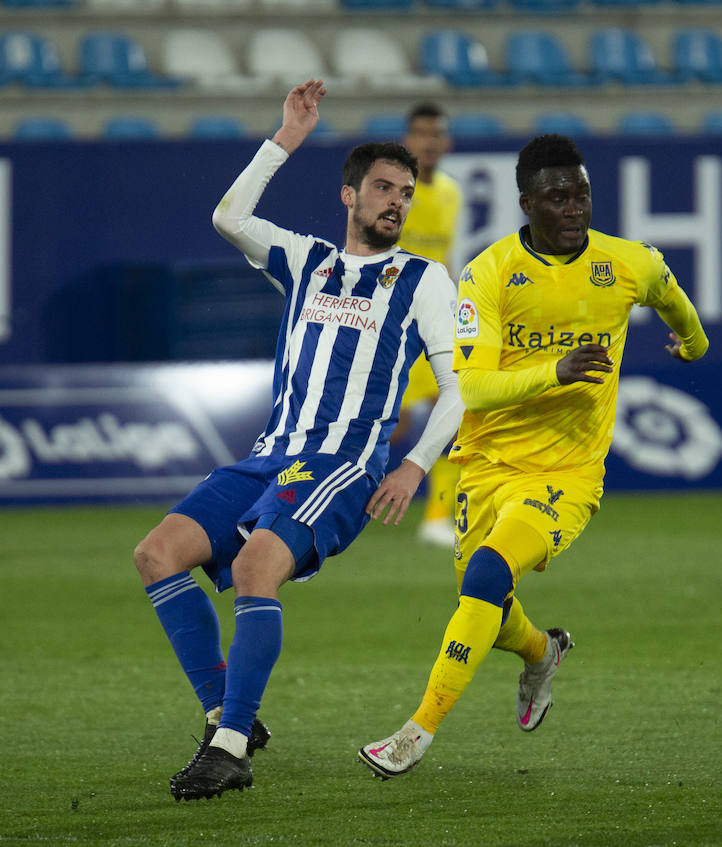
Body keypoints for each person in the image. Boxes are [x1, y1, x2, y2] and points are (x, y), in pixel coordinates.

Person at [134, 79, 465, 801]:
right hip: (268, 455)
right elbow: (229, 215)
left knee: (257, 565)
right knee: (157, 553)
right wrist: (285, 139)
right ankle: (230, 713)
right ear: (350, 195)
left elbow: (458, 391)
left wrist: (412, 466)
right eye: (382, 187)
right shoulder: (306, 259)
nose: (396, 202)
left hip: (344, 465)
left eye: (405, 192)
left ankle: (226, 749)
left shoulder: (424, 280)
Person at [358, 133, 709, 779]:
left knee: (488, 575)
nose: (574, 208)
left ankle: (415, 732)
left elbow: (674, 301)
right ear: (527, 203)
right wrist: (558, 369)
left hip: (567, 472)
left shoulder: (626, 261)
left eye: (581, 194)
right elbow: (475, 387)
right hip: (487, 462)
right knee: (483, 602)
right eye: (557, 197)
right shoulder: (489, 274)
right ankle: (543, 651)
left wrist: (690, 342)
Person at [391, 102, 466, 547]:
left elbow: (446, 257)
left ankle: (438, 517)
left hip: (435, 322)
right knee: (389, 425)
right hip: (396, 323)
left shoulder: (452, 193)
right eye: (420, 133)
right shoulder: (396, 191)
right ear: (407, 140)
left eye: (436, 133)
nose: (430, 141)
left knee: (460, 412)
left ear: (448, 141)